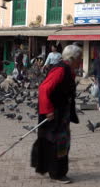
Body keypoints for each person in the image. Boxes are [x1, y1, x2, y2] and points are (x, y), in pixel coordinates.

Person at [31, 45, 81, 184]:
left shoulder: (68, 70)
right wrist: (48, 110)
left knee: (62, 142)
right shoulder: (60, 70)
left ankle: (56, 170)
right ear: (72, 58)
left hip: (61, 114)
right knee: (57, 143)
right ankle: (56, 173)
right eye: (79, 58)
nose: (80, 61)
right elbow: (43, 89)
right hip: (53, 114)